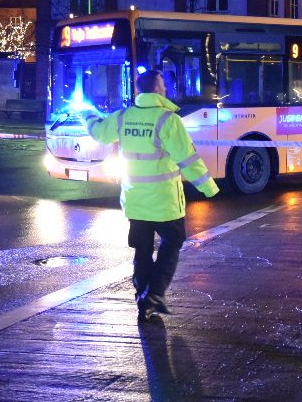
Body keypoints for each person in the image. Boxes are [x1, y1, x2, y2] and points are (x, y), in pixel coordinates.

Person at [83, 70, 220, 321]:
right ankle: (154, 293)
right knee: (173, 243)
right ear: (157, 90)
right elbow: (187, 159)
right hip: (164, 202)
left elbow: (99, 133)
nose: (166, 89)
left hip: (135, 200)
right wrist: (209, 188)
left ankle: (142, 299)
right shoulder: (168, 120)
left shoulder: (123, 116)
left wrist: (89, 115)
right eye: (164, 85)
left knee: (142, 250)